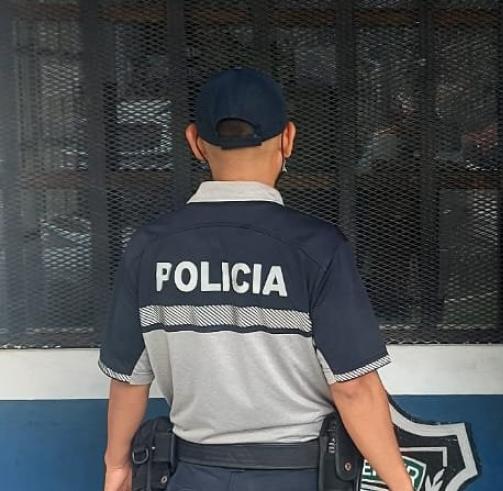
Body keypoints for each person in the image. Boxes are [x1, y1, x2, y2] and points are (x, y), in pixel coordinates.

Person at [99, 68, 413, 491]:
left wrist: (117, 465)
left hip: (193, 475)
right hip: (297, 477)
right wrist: (401, 484)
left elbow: (128, 380)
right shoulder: (318, 248)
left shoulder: (149, 247)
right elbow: (354, 387)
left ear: (194, 141)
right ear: (288, 139)